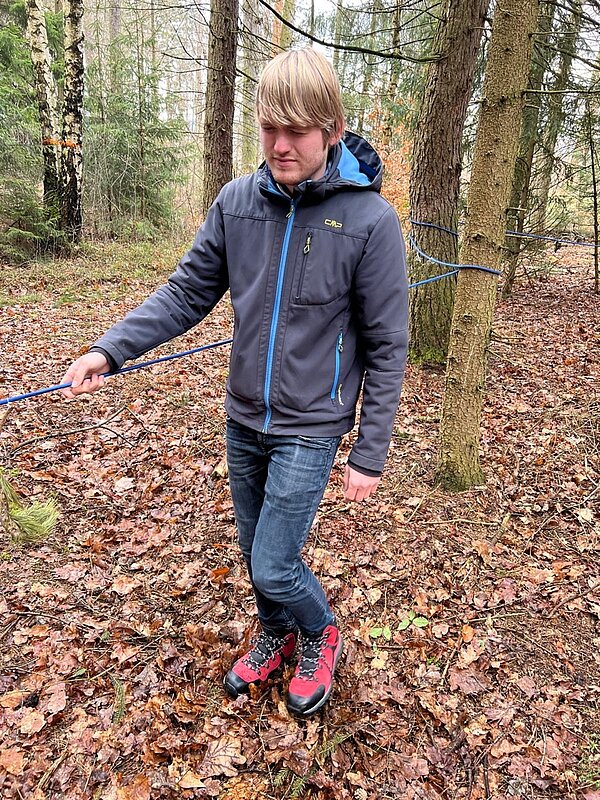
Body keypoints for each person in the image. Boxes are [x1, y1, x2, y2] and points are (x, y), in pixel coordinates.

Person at [61, 48, 408, 717]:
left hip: (311, 425)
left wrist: (370, 451)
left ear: (332, 129)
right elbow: (185, 293)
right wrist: (110, 350)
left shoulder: (371, 223)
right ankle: (276, 631)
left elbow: (389, 345)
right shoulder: (238, 204)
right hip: (244, 416)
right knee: (255, 553)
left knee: (275, 562)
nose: (279, 146)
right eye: (269, 129)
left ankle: (319, 630)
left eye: (296, 132)